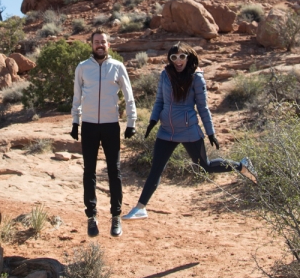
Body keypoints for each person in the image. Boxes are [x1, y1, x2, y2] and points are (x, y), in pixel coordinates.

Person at [123, 42, 256, 220]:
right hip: (166, 131)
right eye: (174, 57)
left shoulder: (196, 78)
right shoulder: (165, 75)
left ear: (188, 57)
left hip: (188, 130)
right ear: (170, 59)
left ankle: (242, 166)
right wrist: (152, 121)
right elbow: (159, 101)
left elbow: (203, 108)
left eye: (182, 57)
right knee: (156, 169)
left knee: (205, 165)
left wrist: (211, 133)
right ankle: (140, 207)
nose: (178, 61)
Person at [71, 31, 137, 238]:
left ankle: (116, 216)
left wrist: (131, 122)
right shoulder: (82, 68)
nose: (100, 45)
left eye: (103, 42)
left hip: (111, 126)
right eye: (96, 42)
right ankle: (91, 217)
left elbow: (129, 95)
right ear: (91, 44)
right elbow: (76, 96)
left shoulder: (118, 67)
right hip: (89, 126)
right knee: (89, 172)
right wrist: (75, 121)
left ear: (108, 44)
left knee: (114, 172)